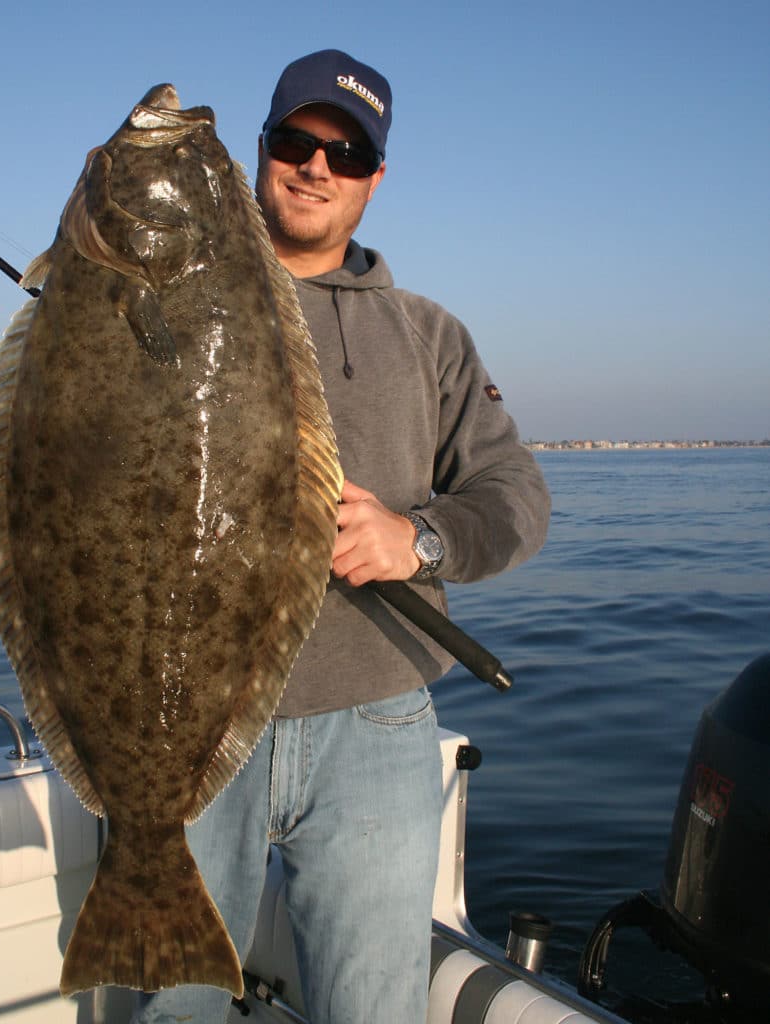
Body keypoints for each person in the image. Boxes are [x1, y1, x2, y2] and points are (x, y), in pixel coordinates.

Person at [133, 49, 551, 1024]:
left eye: (347, 151)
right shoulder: (169, 304)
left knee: (373, 1006)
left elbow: (516, 493)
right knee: (174, 1004)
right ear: (260, 152)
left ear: (375, 176)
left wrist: (422, 539)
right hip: (191, 714)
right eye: (297, 141)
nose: (318, 165)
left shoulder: (428, 335)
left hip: (377, 718)